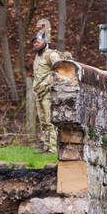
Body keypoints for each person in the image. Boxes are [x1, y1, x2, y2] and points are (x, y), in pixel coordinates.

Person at [31, 18, 71, 153]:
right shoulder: (38, 56)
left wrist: (47, 83)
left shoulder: (51, 54)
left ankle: (53, 148)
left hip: (48, 92)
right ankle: (46, 145)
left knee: (49, 120)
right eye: (34, 42)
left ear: (44, 42)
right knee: (43, 121)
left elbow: (59, 69)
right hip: (39, 93)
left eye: (37, 41)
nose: (35, 44)